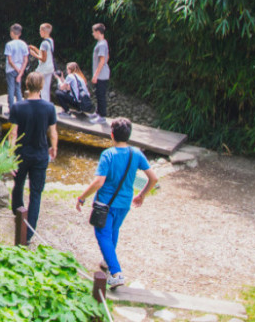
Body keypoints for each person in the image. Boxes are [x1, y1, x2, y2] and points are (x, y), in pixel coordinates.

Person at [75, 118, 158, 289]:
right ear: (128, 135)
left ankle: (116, 273)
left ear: (112, 135)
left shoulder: (108, 155)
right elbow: (154, 178)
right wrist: (142, 195)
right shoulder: (136, 153)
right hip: (124, 203)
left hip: (105, 203)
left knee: (102, 234)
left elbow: (99, 182)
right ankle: (107, 261)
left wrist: (82, 197)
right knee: (113, 230)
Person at [8, 72, 58, 242]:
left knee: (18, 184)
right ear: (42, 86)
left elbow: (13, 133)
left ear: (26, 85)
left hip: (21, 154)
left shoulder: (17, 107)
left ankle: (18, 215)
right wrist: (54, 148)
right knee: (36, 193)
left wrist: (9, 156)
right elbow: (53, 132)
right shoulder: (49, 107)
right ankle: (28, 234)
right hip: (40, 154)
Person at [4, 23, 29, 111]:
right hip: (20, 69)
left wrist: (16, 69)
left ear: (11, 33)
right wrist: (20, 72)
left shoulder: (9, 45)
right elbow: (25, 60)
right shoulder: (24, 44)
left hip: (11, 70)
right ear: (20, 33)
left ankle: (11, 110)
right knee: (18, 89)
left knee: (11, 89)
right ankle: (20, 109)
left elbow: (10, 61)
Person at [28, 23, 55, 102]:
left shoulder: (43, 43)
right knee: (46, 89)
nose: (39, 32)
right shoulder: (50, 41)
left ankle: (35, 103)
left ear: (44, 31)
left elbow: (43, 59)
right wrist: (35, 48)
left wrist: (34, 54)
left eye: (40, 30)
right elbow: (44, 53)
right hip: (50, 68)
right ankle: (46, 104)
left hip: (43, 69)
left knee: (38, 88)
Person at [89, 23, 110, 124]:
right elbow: (107, 57)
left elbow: (102, 60)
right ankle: (97, 112)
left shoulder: (101, 44)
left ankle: (102, 116)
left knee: (101, 94)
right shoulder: (103, 43)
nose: (93, 34)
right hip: (101, 73)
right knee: (97, 93)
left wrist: (96, 75)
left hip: (101, 75)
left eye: (93, 32)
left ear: (98, 32)